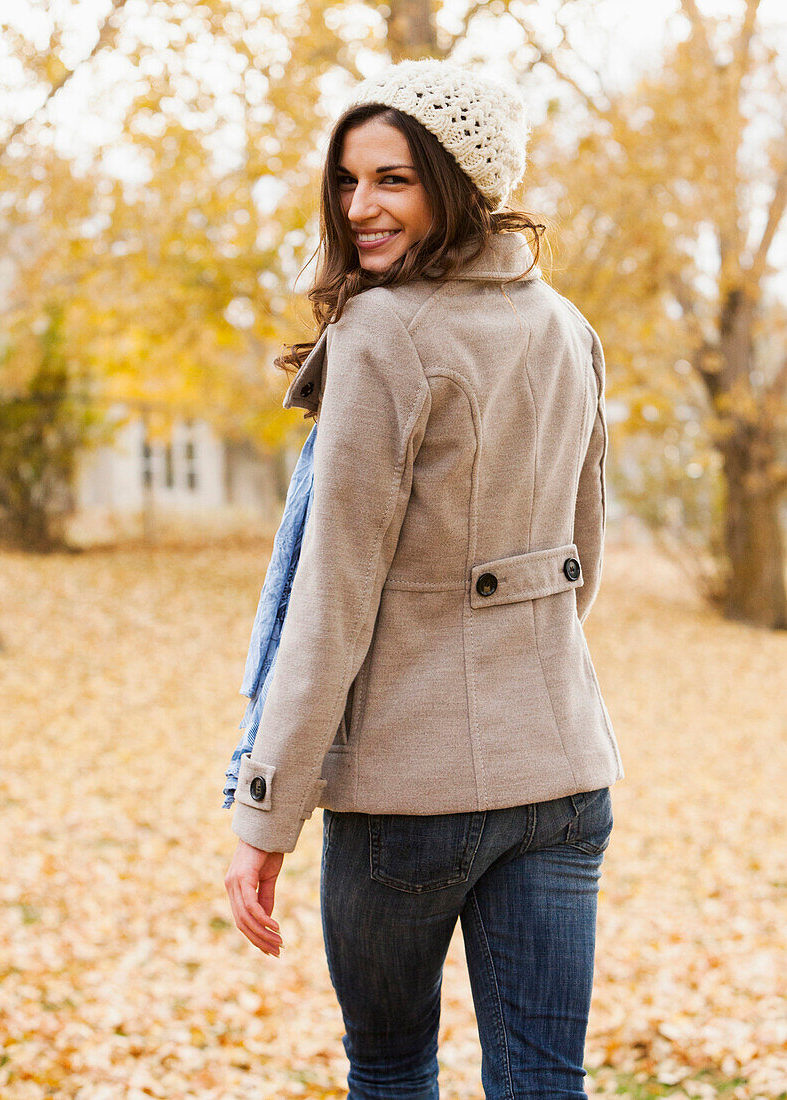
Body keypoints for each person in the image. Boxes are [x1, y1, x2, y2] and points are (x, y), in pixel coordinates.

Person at [224, 56, 624, 1100]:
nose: (361, 206)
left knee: (393, 1069)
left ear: (457, 180)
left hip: (407, 796)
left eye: (393, 179)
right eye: (349, 180)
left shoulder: (381, 332)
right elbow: (580, 558)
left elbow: (330, 602)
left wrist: (264, 814)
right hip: (563, 774)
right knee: (545, 1081)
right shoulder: (566, 326)